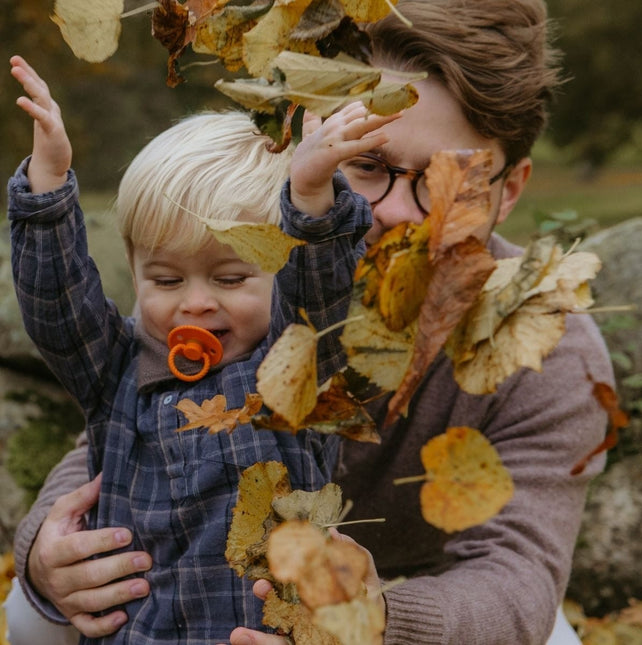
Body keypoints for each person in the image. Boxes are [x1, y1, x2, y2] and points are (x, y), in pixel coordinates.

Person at [7, 0, 614, 643]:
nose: (397, 215)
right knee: (34, 607)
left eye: (443, 183)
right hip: (200, 582)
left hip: (409, 604)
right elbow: (129, 417)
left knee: (550, 638)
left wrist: (376, 621)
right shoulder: (241, 284)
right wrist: (46, 546)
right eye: (370, 166)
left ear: (509, 189)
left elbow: (517, 574)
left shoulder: (550, 345)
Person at [5, 55, 397, 644]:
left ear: (277, 272)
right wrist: (48, 189)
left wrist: (311, 200)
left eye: (230, 279)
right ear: (136, 273)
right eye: (165, 280)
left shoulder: (292, 374)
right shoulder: (116, 370)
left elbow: (324, 300)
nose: (194, 304)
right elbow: (58, 306)